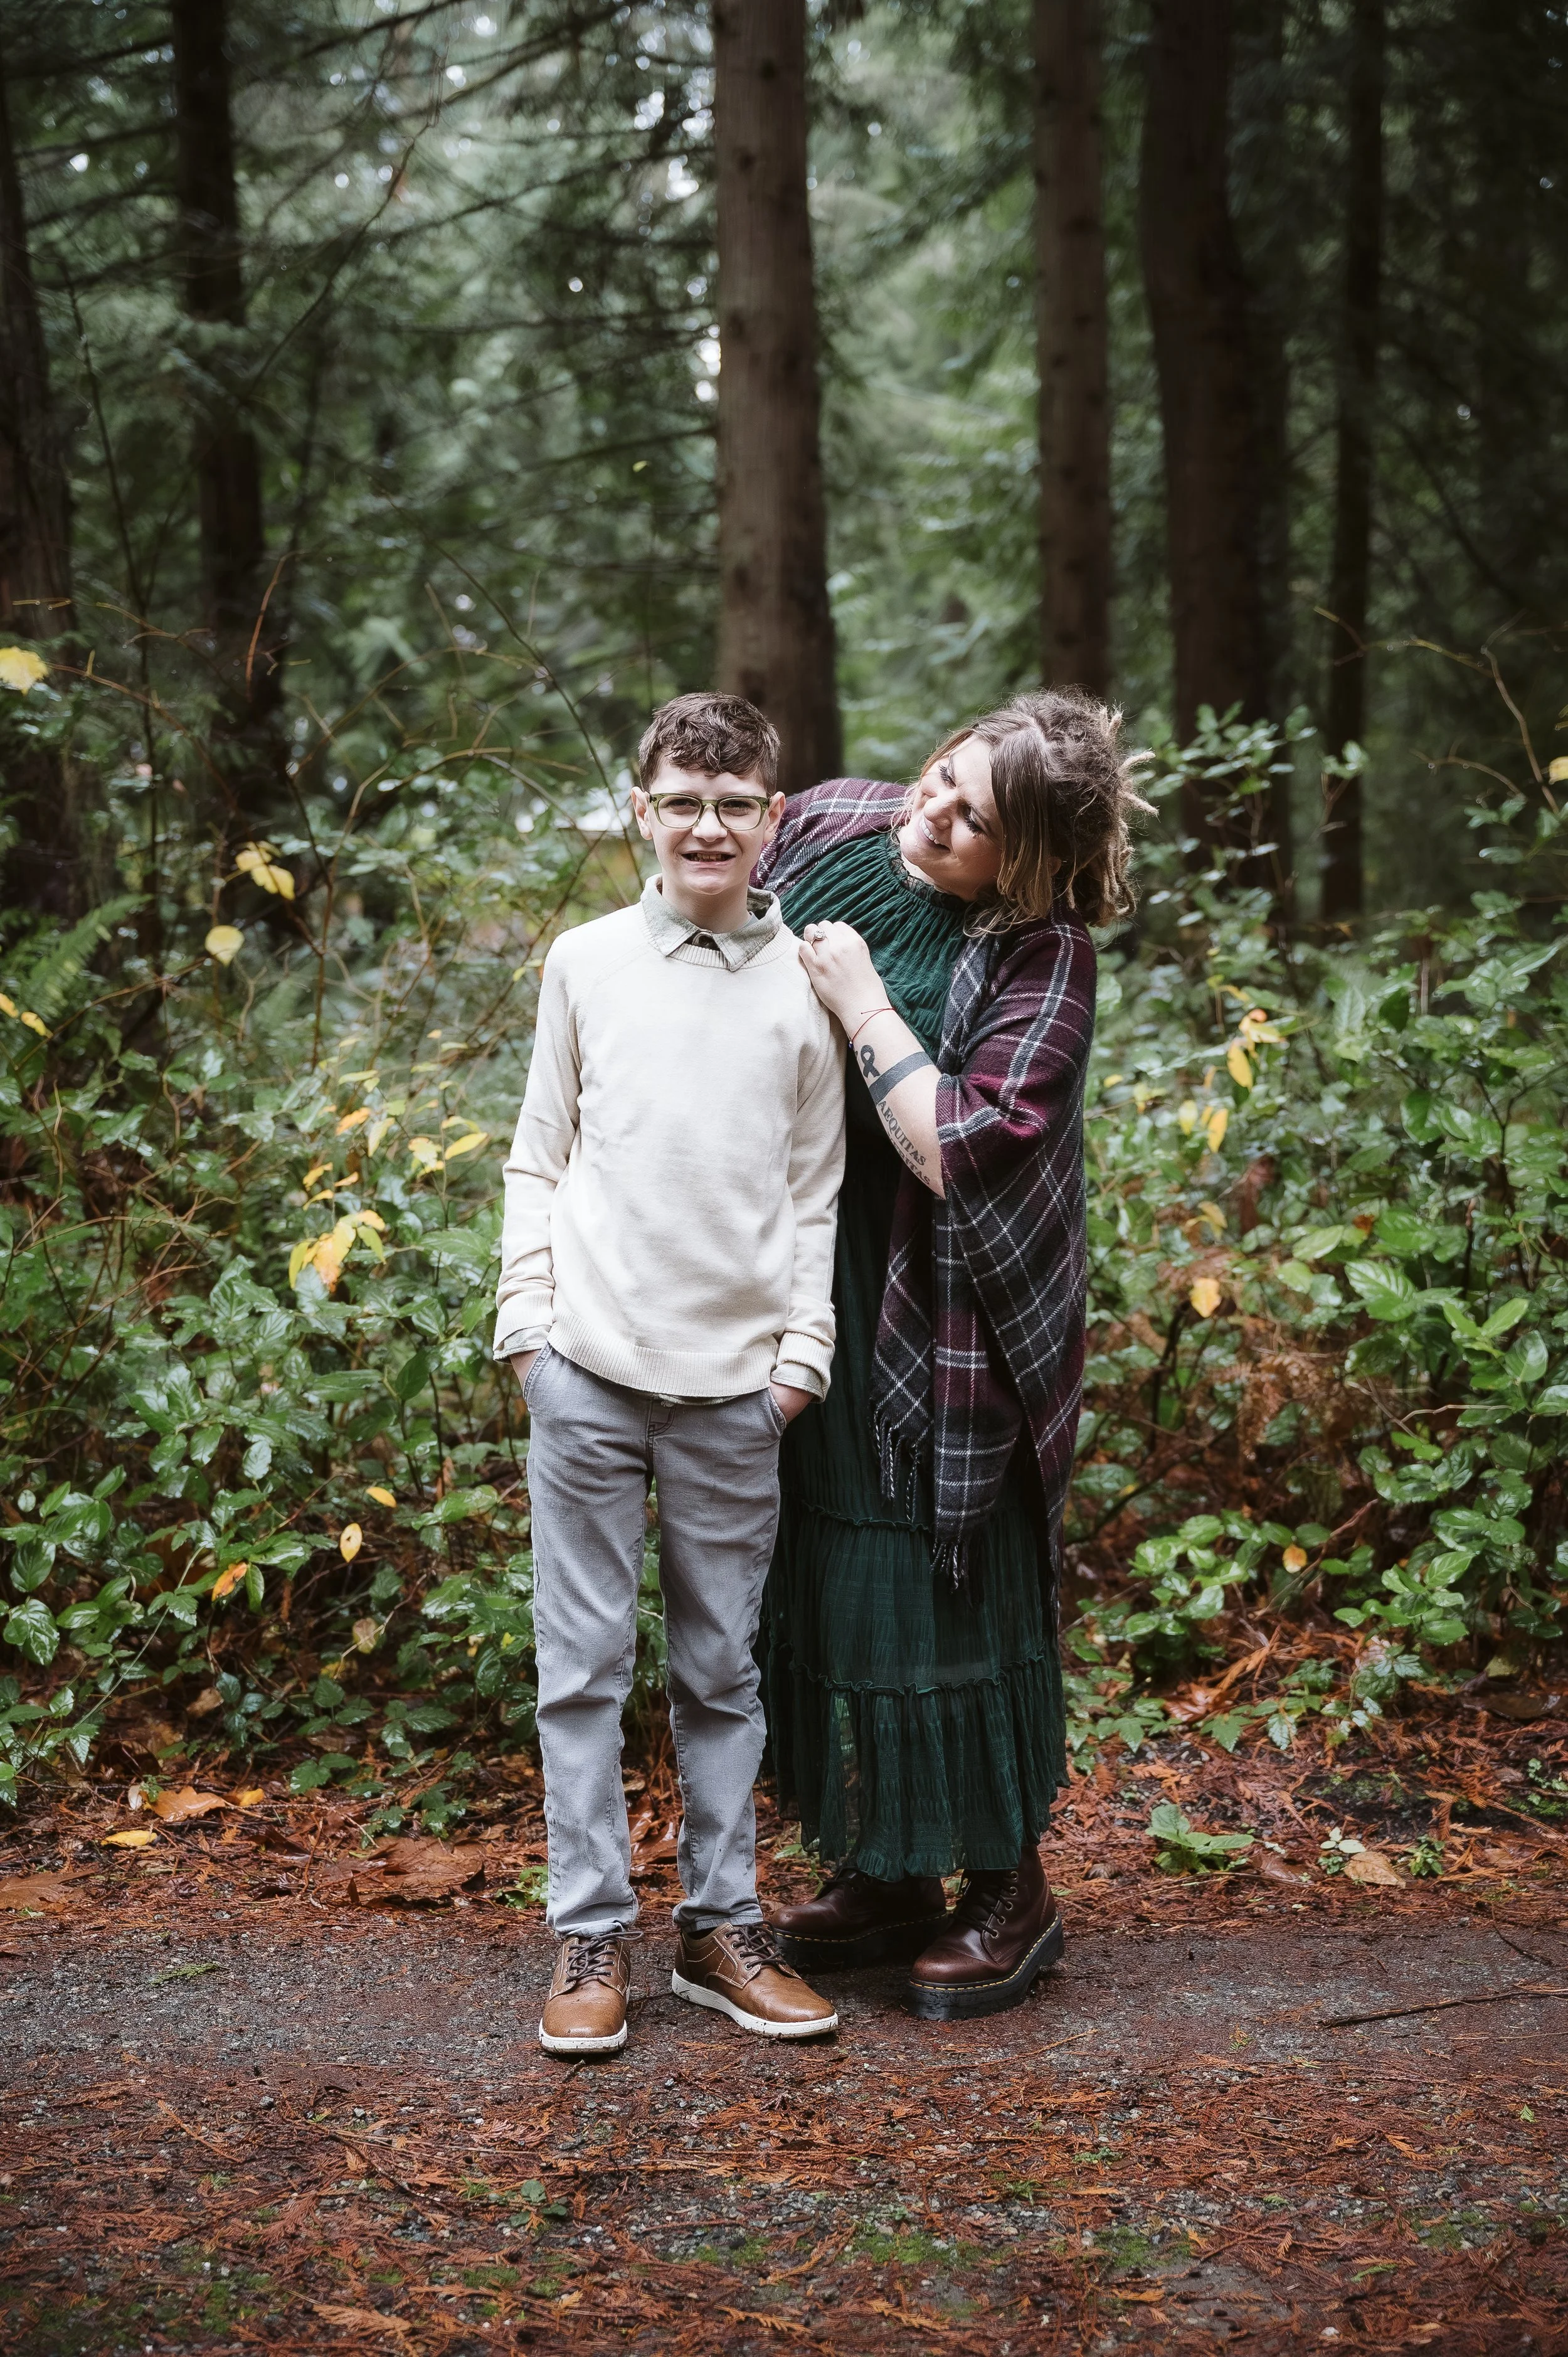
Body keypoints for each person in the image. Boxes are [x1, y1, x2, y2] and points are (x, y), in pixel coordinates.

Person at [757, 690, 1149, 2021]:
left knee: (947, 1578)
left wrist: (868, 1006)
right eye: (939, 776)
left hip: (939, 1311)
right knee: (829, 1565)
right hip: (806, 1280)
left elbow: (965, 1148)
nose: (931, 811)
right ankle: (883, 1868)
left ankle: (1006, 1886)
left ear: (1028, 858)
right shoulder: (826, 828)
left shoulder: (1043, 956)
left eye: (973, 817)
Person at [494, 691, 847, 2056]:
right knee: (579, 1669)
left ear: (772, 820)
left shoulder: (807, 988)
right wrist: (527, 1330)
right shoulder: (583, 962)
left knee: (720, 1673)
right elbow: (538, 1151)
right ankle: (590, 1935)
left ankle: (719, 1926)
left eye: (735, 804)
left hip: (735, 1389)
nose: (708, 826)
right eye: (681, 801)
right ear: (641, 812)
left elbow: (814, 1192)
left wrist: (798, 1361)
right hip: (584, 1367)